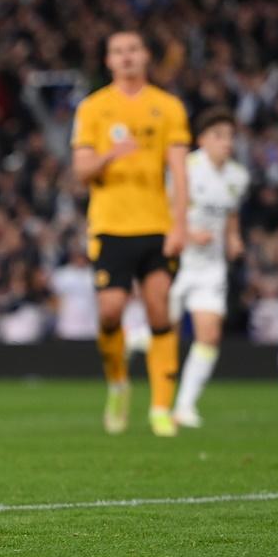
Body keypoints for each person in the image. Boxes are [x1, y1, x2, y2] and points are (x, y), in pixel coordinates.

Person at [71, 31, 190, 437]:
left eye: (133, 50)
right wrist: (110, 155)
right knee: (110, 312)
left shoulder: (168, 106)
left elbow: (179, 170)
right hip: (110, 225)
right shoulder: (93, 108)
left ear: (146, 56)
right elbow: (81, 170)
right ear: (108, 60)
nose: (126, 57)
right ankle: (118, 383)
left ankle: (161, 408)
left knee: (159, 308)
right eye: (118, 51)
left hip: (156, 225)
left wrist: (181, 224)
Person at [170, 108, 248, 427]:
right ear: (202, 140)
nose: (226, 143)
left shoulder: (238, 177)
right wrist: (187, 234)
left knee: (210, 334)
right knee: (164, 333)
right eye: (219, 136)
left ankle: (184, 405)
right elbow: (162, 209)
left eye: (230, 136)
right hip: (176, 260)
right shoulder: (185, 168)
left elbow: (230, 215)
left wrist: (233, 239)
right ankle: (136, 339)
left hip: (210, 267)